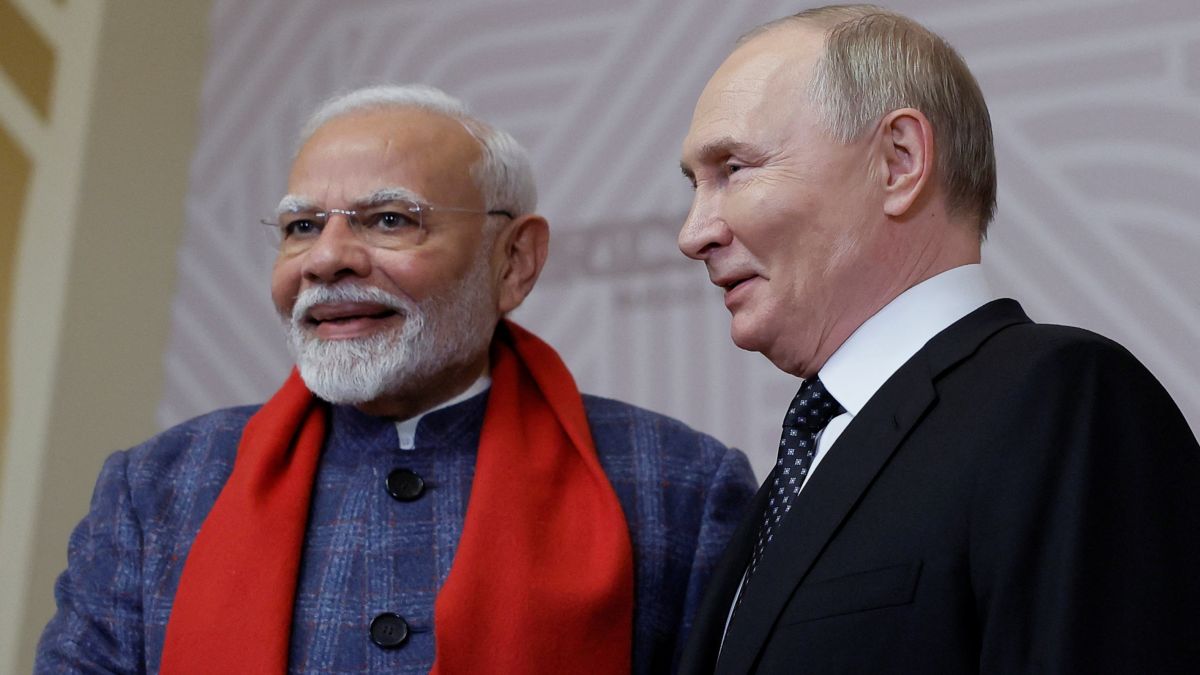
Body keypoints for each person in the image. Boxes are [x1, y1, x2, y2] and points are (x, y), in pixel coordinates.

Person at [36, 84, 757, 674]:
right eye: (301, 227)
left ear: (513, 262)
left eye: (387, 219)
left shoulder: (680, 485)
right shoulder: (157, 489)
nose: (327, 259)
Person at [674, 5, 1200, 674]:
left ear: (899, 160)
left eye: (733, 170)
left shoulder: (1064, 400)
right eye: (695, 185)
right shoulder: (798, 470)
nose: (694, 233)